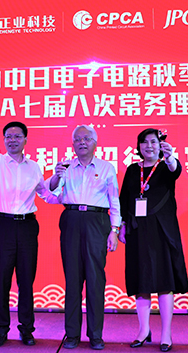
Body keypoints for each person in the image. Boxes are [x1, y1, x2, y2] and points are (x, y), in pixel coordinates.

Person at [0, 107, 59, 347]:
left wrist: (61, 186)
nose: (12, 140)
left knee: (26, 280)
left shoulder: (34, 166)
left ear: (25, 140)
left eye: (17, 136)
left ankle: (26, 329)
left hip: (28, 226)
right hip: (3, 225)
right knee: (2, 279)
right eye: (8, 136)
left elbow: (46, 195)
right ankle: (0, 330)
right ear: (4, 140)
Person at [48, 125, 121, 350]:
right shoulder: (65, 167)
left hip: (97, 221)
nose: (82, 142)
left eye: (86, 139)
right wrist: (56, 177)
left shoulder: (106, 167)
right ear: (72, 144)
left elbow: (114, 200)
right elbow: (51, 196)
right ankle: (71, 334)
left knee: (95, 279)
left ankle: (95, 335)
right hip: (71, 219)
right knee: (72, 279)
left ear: (95, 143)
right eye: (78, 139)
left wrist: (115, 229)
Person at [118, 128, 188, 352]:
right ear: (138, 146)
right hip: (137, 231)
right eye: (144, 142)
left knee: (164, 282)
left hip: (162, 231)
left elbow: (176, 170)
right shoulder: (133, 170)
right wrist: (121, 225)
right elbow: (124, 199)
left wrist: (170, 157)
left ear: (160, 146)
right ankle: (143, 330)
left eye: (153, 142)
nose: (149, 146)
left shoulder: (167, 166)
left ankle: (166, 333)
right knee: (141, 282)